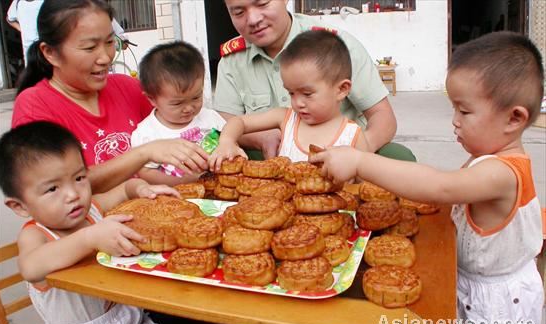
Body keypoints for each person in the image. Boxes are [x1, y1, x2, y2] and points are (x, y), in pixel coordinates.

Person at [310, 32, 544, 324]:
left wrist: (361, 162)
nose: (454, 122)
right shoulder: (488, 157)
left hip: (503, 299)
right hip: (476, 281)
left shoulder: (503, 173)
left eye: (464, 111)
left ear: (514, 118)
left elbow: (440, 186)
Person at [0, 121, 176, 324]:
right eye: (52, 189)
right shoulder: (35, 235)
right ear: (20, 206)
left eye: (79, 178)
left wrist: (142, 190)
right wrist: (88, 238)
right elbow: (30, 267)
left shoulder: (92, 211)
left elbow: (123, 190)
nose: (73, 194)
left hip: (126, 317)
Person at [11, 0, 208, 193]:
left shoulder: (128, 88)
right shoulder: (34, 106)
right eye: (89, 48)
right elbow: (60, 187)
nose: (105, 57)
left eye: (109, 42)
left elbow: (193, 125)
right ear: (50, 53)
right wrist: (144, 153)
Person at [215, 0, 415, 162]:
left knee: (397, 157)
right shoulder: (232, 60)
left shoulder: (332, 47)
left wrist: (356, 154)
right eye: (239, 12)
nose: (253, 19)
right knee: (220, 157)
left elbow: (383, 117)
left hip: (344, 150)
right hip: (274, 154)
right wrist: (258, 139)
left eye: (262, 4)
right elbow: (224, 124)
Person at [210, 29, 367, 171]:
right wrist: (227, 141)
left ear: (341, 89)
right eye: (291, 93)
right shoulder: (287, 118)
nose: (298, 103)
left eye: (307, 94)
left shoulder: (353, 136)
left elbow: (365, 189)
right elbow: (239, 122)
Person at [132, 41, 225, 185]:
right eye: (177, 103)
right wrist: (180, 181)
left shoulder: (210, 118)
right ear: (152, 99)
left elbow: (230, 139)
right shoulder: (146, 134)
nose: (189, 108)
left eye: (196, 97)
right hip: (176, 198)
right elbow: (145, 172)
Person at [6, 0, 44, 65]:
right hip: (28, 47)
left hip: (43, 42)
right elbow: (9, 19)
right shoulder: (17, 1)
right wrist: (22, 30)